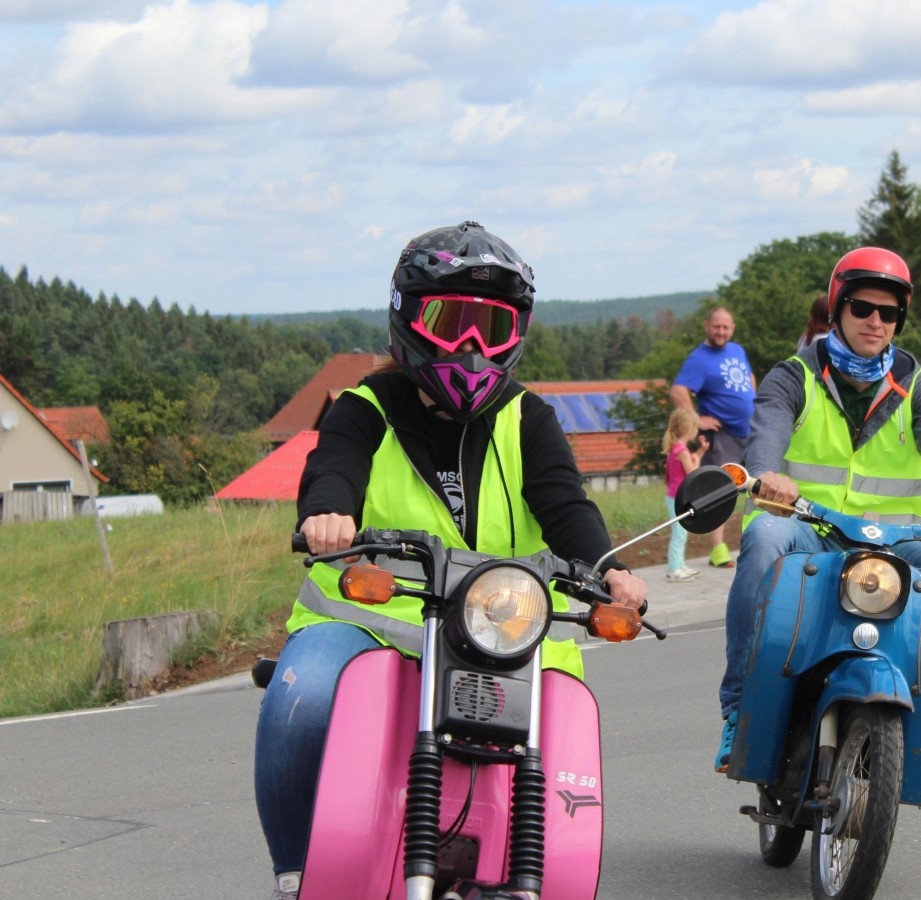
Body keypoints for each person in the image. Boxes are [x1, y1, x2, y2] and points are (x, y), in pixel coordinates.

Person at [254, 221, 647, 900]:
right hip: (370, 624)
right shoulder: (363, 406)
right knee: (301, 702)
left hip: (505, 633)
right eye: (450, 320)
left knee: (561, 758)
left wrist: (609, 569)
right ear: (410, 318)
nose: (470, 345)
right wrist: (327, 514)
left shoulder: (527, 418)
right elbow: (334, 470)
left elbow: (564, 503)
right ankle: (296, 875)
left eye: (489, 329)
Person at [713, 246, 921, 772]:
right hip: (809, 530)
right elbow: (767, 426)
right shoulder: (794, 376)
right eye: (862, 307)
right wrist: (767, 473)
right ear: (837, 309)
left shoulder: (917, 386)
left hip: (895, 539)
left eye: (890, 312)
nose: (876, 321)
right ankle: (738, 706)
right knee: (763, 536)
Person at [670, 307, 757, 568]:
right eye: (716, 326)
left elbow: (749, 377)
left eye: (726, 327)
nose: (721, 332)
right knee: (722, 490)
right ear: (707, 326)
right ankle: (718, 550)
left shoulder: (737, 350)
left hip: (750, 430)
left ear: (733, 329)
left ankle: (754, 541)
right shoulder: (699, 359)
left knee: (756, 487)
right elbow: (678, 391)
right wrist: (697, 419)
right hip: (723, 436)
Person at [661, 406, 706, 582]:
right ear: (689, 429)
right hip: (677, 498)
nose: (696, 431)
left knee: (681, 533)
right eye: (695, 427)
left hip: (675, 497)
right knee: (679, 534)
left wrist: (700, 452)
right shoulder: (682, 451)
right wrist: (699, 458)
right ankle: (673, 570)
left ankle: (679, 565)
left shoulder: (677, 448)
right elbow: (692, 472)